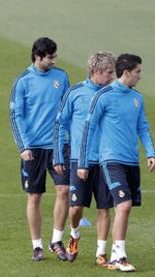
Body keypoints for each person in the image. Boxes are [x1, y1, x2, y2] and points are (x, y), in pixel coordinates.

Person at [78, 54, 155, 272]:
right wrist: (83, 163)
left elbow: (143, 127)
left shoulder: (137, 98)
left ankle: (114, 254)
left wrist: (151, 152)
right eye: (138, 71)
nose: (140, 76)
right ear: (127, 72)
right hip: (111, 159)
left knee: (126, 208)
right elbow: (88, 129)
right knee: (124, 205)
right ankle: (119, 256)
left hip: (131, 161)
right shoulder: (103, 96)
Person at [10, 37, 70, 261]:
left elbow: (67, 109)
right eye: (50, 57)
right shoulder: (23, 81)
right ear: (38, 57)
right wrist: (23, 147)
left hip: (58, 146)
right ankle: (37, 245)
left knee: (64, 190)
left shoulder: (61, 76)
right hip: (32, 148)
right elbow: (16, 116)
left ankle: (56, 239)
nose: (54, 61)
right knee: (34, 196)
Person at [53, 52, 116, 265]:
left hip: (106, 159)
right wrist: (59, 155)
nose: (112, 77)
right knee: (76, 208)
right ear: (96, 72)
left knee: (104, 207)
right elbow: (60, 124)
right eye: (109, 73)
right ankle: (74, 233)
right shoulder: (75, 92)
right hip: (80, 160)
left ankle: (100, 252)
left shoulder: (113, 93)